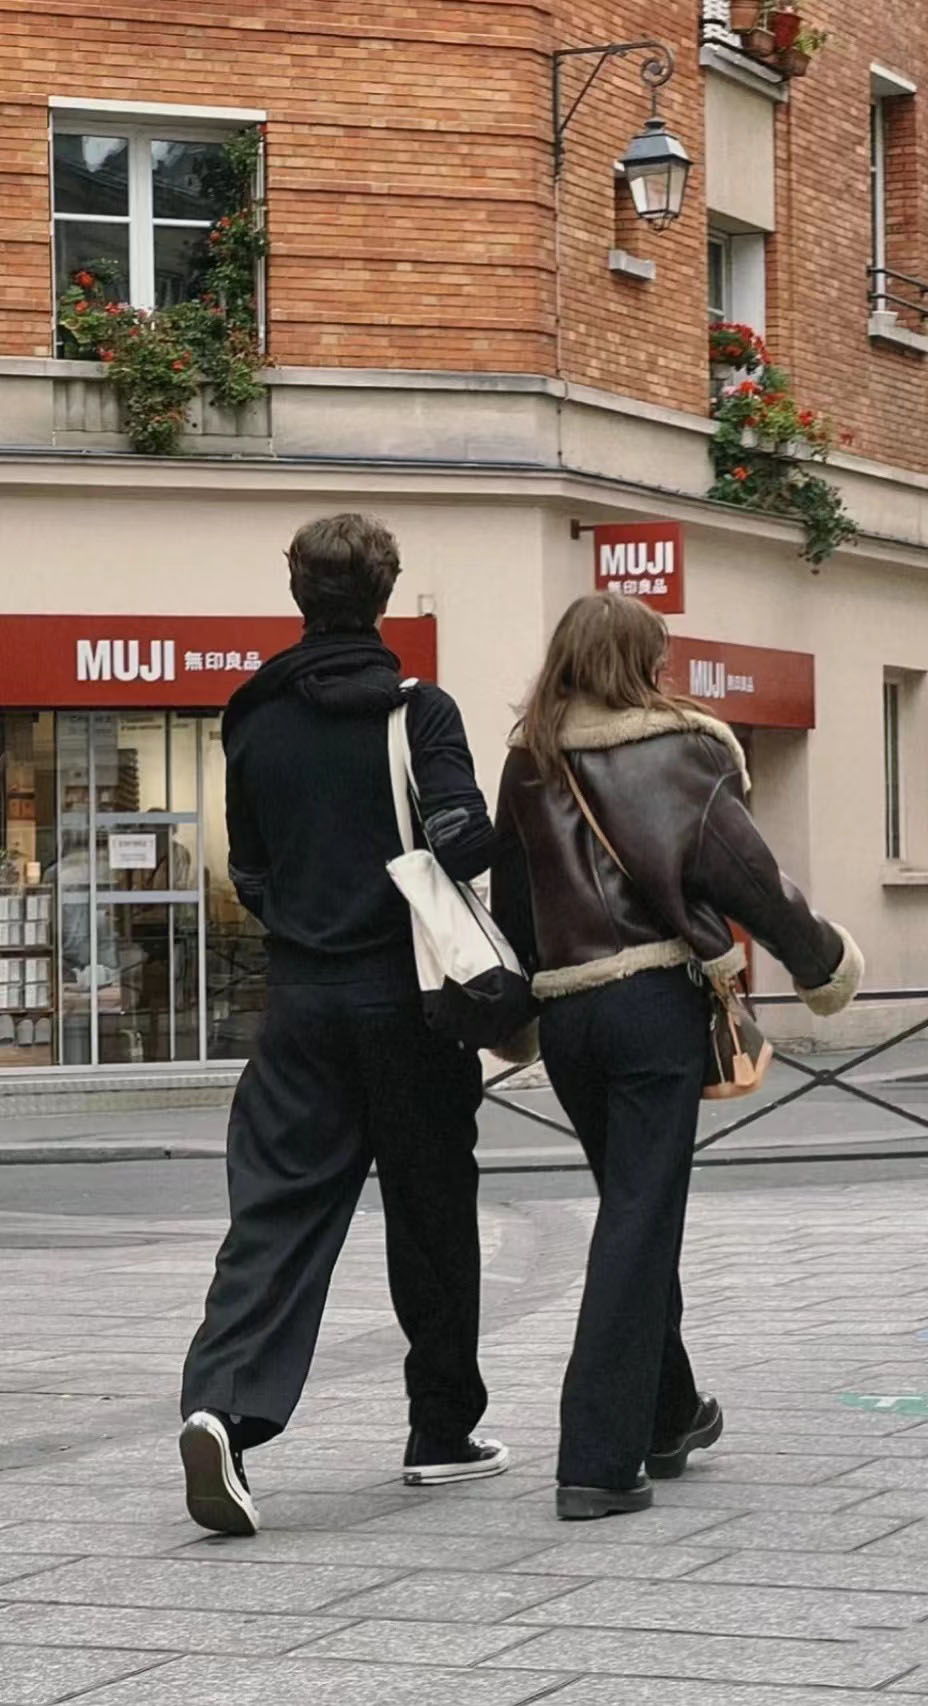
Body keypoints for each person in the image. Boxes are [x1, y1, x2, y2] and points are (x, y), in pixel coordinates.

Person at [491, 593, 863, 1521]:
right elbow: (749, 878)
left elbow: (511, 897)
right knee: (640, 1220)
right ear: (643, 660)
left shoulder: (529, 759)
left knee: (632, 1210)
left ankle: (666, 1414)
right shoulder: (688, 750)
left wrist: (517, 1014)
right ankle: (598, 1459)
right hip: (653, 1003)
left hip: (568, 1017)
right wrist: (822, 963)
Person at [179, 513, 506, 1537]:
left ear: (296, 594)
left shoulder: (252, 714)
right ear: (383, 593)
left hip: (298, 1002)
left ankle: (222, 1410)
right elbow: (462, 843)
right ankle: (440, 1431)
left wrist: (300, 922)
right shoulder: (419, 709)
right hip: (410, 1000)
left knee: (272, 1211)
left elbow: (249, 868)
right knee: (431, 1211)